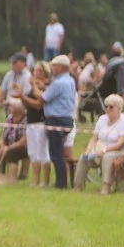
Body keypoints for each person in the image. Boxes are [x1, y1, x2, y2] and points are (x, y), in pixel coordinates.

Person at [74, 94, 124, 195]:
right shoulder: (102, 119)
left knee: (107, 157)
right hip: (100, 149)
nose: (107, 109)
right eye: (106, 106)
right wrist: (88, 151)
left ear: (119, 108)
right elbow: (94, 138)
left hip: (120, 151)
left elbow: (121, 143)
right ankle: (78, 186)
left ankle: (106, 187)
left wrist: (105, 150)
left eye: (111, 107)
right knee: (83, 158)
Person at [42, 55, 77, 189]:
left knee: (56, 154)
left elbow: (45, 98)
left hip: (56, 119)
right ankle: (62, 181)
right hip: (67, 118)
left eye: (54, 66)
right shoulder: (70, 80)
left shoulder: (58, 83)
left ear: (62, 67)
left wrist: (34, 87)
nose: (52, 68)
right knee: (59, 152)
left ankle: (61, 183)